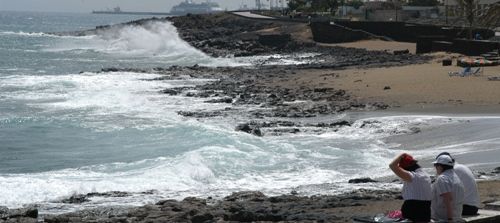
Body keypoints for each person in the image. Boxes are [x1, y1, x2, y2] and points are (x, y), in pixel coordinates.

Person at [389, 153, 432, 222]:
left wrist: (402, 154)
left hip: (412, 210)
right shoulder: (426, 175)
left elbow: (392, 166)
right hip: (426, 210)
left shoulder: (412, 176)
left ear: (407, 168)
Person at [432, 154, 465, 222]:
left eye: (436, 165)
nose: (435, 168)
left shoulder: (442, 178)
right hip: (457, 215)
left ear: (440, 166)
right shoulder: (456, 177)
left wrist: (450, 219)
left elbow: (448, 200)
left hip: (443, 218)